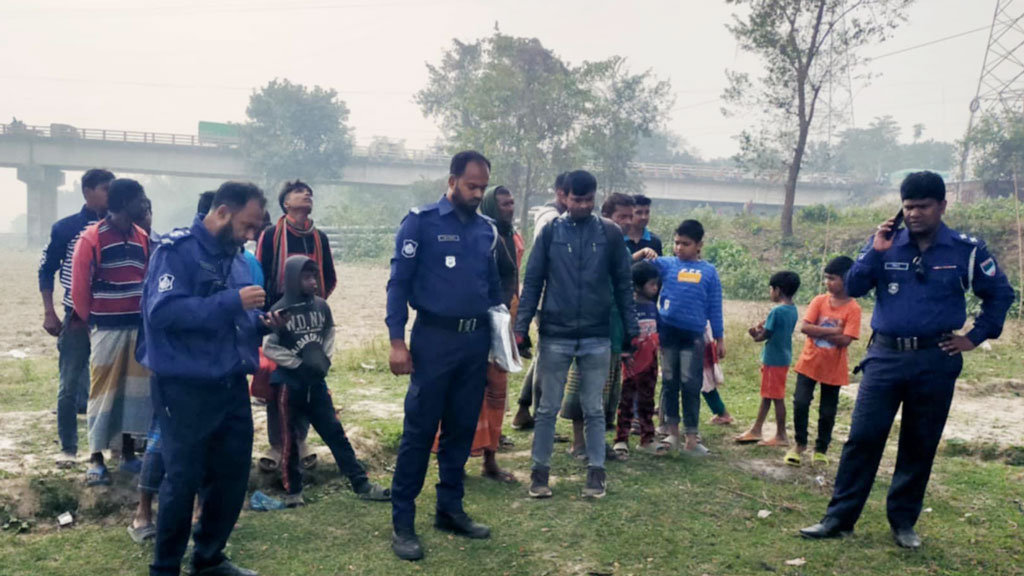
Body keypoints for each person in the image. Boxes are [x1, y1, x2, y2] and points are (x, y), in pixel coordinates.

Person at [801, 171, 1013, 549]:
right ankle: (838, 518)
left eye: (922, 206)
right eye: (908, 206)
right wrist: (874, 250)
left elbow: (999, 295)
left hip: (936, 358)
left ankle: (903, 523)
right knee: (863, 438)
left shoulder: (968, 250)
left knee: (919, 442)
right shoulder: (885, 244)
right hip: (885, 356)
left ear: (942, 206)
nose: (913, 214)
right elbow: (854, 287)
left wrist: (974, 337)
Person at [140, 181, 268, 576]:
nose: (250, 236)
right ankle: (165, 568)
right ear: (223, 211)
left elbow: (235, 321)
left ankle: (209, 558)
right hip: (184, 387)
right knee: (182, 480)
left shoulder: (239, 259)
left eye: (256, 229)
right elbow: (163, 314)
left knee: (230, 476)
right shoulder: (176, 253)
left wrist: (262, 323)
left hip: (230, 385)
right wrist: (232, 301)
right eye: (247, 225)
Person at [386, 151, 502, 562]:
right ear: (452, 180)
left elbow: (491, 288)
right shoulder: (421, 222)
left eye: (483, 187)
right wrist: (396, 341)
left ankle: (450, 509)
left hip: (474, 344)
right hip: (433, 340)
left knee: (460, 428)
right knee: (420, 431)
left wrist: (500, 336)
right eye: (472, 186)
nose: (478, 193)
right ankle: (403, 522)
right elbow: (398, 284)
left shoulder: (486, 230)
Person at [515, 170, 638, 501]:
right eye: (576, 199)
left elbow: (624, 286)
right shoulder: (550, 232)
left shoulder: (610, 234)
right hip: (555, 333)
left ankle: (596, 474)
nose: (582, 205)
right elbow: (533, 281)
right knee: (547, 409)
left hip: (597, 334)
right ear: (563, 197)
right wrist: (521, 327)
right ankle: (540, 474)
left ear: (595, 197)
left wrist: (632, 330)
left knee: (594, 408)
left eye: (588, 200)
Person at [262, 255, 391, 506]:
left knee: (335, 433)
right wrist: (297, 364)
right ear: (292, 280)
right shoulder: (280, 312)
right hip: (290, 385)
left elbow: (329, 333)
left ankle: (360, 483)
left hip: (316, 384)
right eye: (307, 277)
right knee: (289, 440)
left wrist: (325, 360)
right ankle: (293, 491)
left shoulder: (321, 306)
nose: (313, 283)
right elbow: (269, 347)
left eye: (314, 277)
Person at [432, 185, 524, 482]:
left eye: (511, 203)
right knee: (464, 392)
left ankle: (490, 459)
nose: (509, 208)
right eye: (504, 204)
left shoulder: (512, 236)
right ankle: (452, 460)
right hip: (474, 324)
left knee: (497, 391)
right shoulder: (482, 235)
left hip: (501, 322)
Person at [70, 178, 152, 486]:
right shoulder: (92, 238)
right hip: (106, 327)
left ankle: (128, 455)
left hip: (137, 327)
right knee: (103, 393)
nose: (144, 204)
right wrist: (91, 318)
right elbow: (80, 286)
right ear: (123, 203)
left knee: (134, 393)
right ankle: (95, 458)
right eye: (140, 199)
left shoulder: (142, 236)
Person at [256, 180, 335, 473]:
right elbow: (261, 274)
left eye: (309, 192)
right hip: (277, 319)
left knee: (310, 375)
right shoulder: (270, 235)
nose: (307, 194)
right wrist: (269, 318)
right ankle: (277, 443)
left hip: (310, 320)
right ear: (286, 203)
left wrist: (315, 309)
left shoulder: (320, 238)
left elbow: (329, 276)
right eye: (300, 192)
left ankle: (300, 441)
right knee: (278, 381)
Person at [560, 193, 645, 459]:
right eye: (622, 216)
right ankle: (578, 443)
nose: (628, 222)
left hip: (613, 327)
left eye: (630, 216)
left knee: (607, 389)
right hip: (588, 327)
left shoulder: (621, 246)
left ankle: (597, 442)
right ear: (607, 217)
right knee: (584, 385)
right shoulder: (590, 243)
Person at [39, 168, 113, 467]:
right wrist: (49, 311)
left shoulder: (120, 226)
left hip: (112, 317)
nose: (110, 195)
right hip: (76, 317)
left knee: (112, 382)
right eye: (105, 189)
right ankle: (69, 448)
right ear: (88, 191)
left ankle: (112, 448)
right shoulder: (66, 229)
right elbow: (46, 270)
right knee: (69, 383)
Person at [649, 220, 724, 455]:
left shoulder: (709, 272)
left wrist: (719, 338)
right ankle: (672, 433)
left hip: (693, 337)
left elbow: (715, 307)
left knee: (691, 386)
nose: (679, 248)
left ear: (699, 245)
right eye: (676, 242)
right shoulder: (667, 264)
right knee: (670, 383)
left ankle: (691, 437)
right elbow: (637, 267)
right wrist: (642, 253)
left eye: (686, 244)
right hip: (668, 333)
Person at [785, 256, 861, 467]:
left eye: (833, 278)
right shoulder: (819, 301)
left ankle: (821, 448)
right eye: (826, 278)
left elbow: (846, 340)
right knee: (800, 402)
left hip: (834, 369)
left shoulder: (853, 308)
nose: (828, 283)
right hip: (808, 363)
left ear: (847, 279)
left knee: (827, 411)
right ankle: (799, 444)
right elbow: (805, 327)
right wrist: (834, 331)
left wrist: (822, 332)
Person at [511, 172, 570, 430]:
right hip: (550, 299)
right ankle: (541, 417)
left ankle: (524, 409)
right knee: (549, 362)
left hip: (549, 298)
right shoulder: (553, 220)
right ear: (560, 193)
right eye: (574, 196)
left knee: (543, 359)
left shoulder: (552, 216)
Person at [735, 271, 801, 447]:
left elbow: (765, 335)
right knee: (768, 395)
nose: (770, 293)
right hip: (783, 357)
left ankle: (781, 435)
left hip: (774, 360)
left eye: (771, 289)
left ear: (778, 290)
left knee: (776, 397)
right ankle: (756, 429)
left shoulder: (777, 311)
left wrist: (755, 335)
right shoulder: (793, 309)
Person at [613, 261, 661, 457]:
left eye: (657, 284)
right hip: (631, 364)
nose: (656, 288)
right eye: (652, 284)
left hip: (650, 363)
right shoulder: (627, 308)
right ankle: (621, 439)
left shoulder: (652, 307)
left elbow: (660, 331)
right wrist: (624, 352)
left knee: (647, 402)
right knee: (625, 402)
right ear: (638, 286)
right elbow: (621, 332)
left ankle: (647, 438)